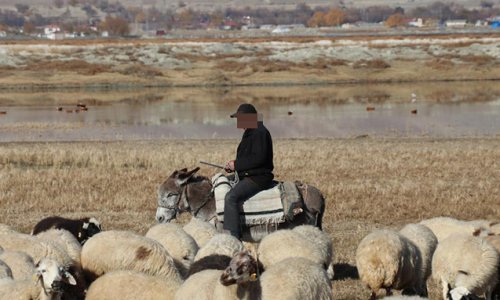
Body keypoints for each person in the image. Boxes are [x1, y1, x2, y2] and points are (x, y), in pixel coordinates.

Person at [223, 103, 274, 239]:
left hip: (258, 178)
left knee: (231, 197)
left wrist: (237, 165)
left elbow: (259, 159)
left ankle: (233, 236)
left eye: (240, 118)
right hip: (249, 174)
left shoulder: (259, 132)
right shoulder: (252, 131)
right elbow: (248, 158)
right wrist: (233, 166)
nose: (238, 122)